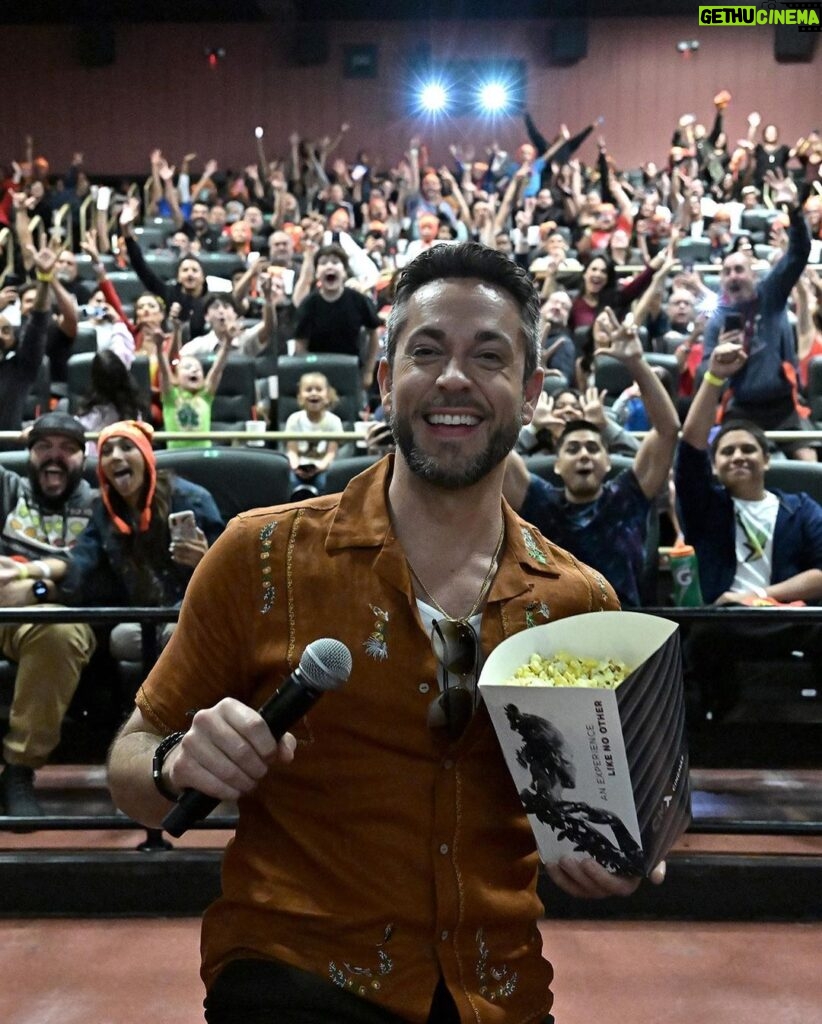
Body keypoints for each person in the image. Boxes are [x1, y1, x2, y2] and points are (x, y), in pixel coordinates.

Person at [108, 242, 662, 1024]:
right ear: (382, 378)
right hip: (295, 977)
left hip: (496, 992)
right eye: (426, 351)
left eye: (489, 357)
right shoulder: (257, 556)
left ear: (532, 392)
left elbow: (618, 811)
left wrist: (625, 852)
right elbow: (131, 761)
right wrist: (174, 761)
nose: (454, 378)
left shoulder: (579, 603)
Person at [674, 340, 822, 718]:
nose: (738, 455)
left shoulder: (801, 508)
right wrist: (714, 378)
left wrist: (758, 595)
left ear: (767, 461)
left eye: (748, 449)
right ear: (716, 466)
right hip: (724, 620)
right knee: (700, 639)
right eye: (726, 452)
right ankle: (721, 727)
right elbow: (690, 444)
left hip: (787, 615)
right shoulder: (706, 507)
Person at [504, 311, 680, 607]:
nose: (584, 454)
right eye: (572, 449)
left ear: (608, 462)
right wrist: (525, 381)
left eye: (592, 448)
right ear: (557, 465)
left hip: (623, 634)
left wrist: (636, 363)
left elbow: (668, 430)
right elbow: (496, 449)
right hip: (550, 637)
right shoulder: (538, 500)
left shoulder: (628, 496)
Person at [0, 412, 97, 817]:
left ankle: (18, 769)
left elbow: (90, 581)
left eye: (67, 449)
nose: (54, 458)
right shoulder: (9, 488)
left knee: (56, 629)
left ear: (84, 457)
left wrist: (39, 589)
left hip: (60, 617)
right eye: (43, 447)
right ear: (28, 453)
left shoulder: (97, 503)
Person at [61, 420, 224, 662]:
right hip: (142, 615)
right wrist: (36, 574)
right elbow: (81, 560)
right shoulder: (104, 511)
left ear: (146, 457)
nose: (115, 457)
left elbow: (235, 572)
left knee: (174, 634)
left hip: (196, 609)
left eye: (127, 447)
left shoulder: (191, 498)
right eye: (106, 452)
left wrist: (205, 559)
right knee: (121, 638)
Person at [698, 172, 814, 459]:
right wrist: (718, 363)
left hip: (783, 407)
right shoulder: (719, 319)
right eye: (726, 272)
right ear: (721, 281)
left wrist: (794, 211)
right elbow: (704, 372)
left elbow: (799, 254)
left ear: (753, 273)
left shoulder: (770, 293)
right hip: (742, 409)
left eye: (739, 270)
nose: (733, 276)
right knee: (725, 466)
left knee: (811, 467)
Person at [293, 243, 383, 390]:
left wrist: (368, 370)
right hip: (317, 373)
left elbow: (373, 334)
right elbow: (300, 345)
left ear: (345, 271)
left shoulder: (359, 300)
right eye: (323, 263)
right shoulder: (308, 304)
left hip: (352, 370)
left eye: (335, 262)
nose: (329, 266)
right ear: (317, 273)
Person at [284, 371, 343, 498]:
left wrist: (319, 467)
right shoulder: (294, 419)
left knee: (323, 483)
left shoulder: (334, 421)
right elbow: (292, 450)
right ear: (300, 396)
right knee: (290, 482)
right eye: (308, 389)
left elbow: (331, 453)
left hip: (323, 468)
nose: (314, 393)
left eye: (319, 389)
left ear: (328, 396)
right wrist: (295, 467)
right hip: (298, 468)